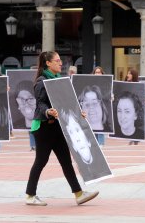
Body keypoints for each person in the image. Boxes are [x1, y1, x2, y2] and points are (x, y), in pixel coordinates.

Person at [25, 51, 98, 206]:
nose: (60, 63)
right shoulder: (41, 81)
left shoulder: (60, 80)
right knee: (41, 160)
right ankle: (30, 195)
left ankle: (79, 194)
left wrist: (79, 113)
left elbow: (67, 103)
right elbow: (40, 104)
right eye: (57, 61)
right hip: (44, 127)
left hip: (58, 127)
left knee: (66, 161)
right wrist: (48, 112)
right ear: (48, 63)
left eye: (60, 61)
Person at [14, 80, 36, 151]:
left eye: (31, 98)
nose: (26, 103)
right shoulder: (16, 125)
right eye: (21, 99)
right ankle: (33, 146)